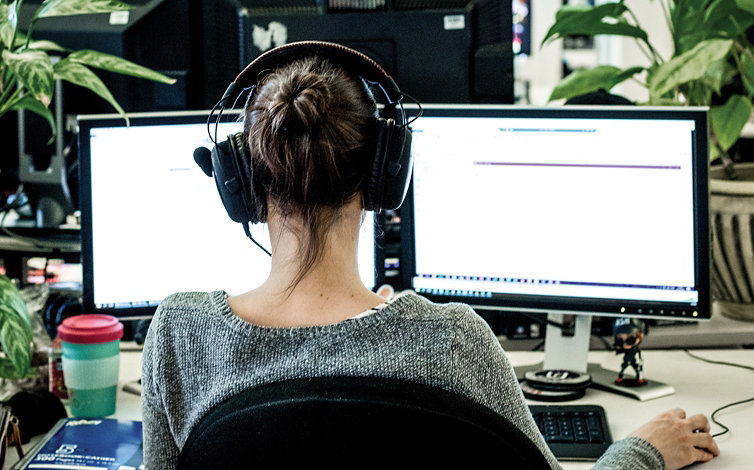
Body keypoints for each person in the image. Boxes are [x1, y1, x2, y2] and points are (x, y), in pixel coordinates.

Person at [141, 45, 719, 470]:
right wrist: (643, 451)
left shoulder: (179, 333)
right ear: (386, 177)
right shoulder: (451, 340)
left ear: (238, 185)